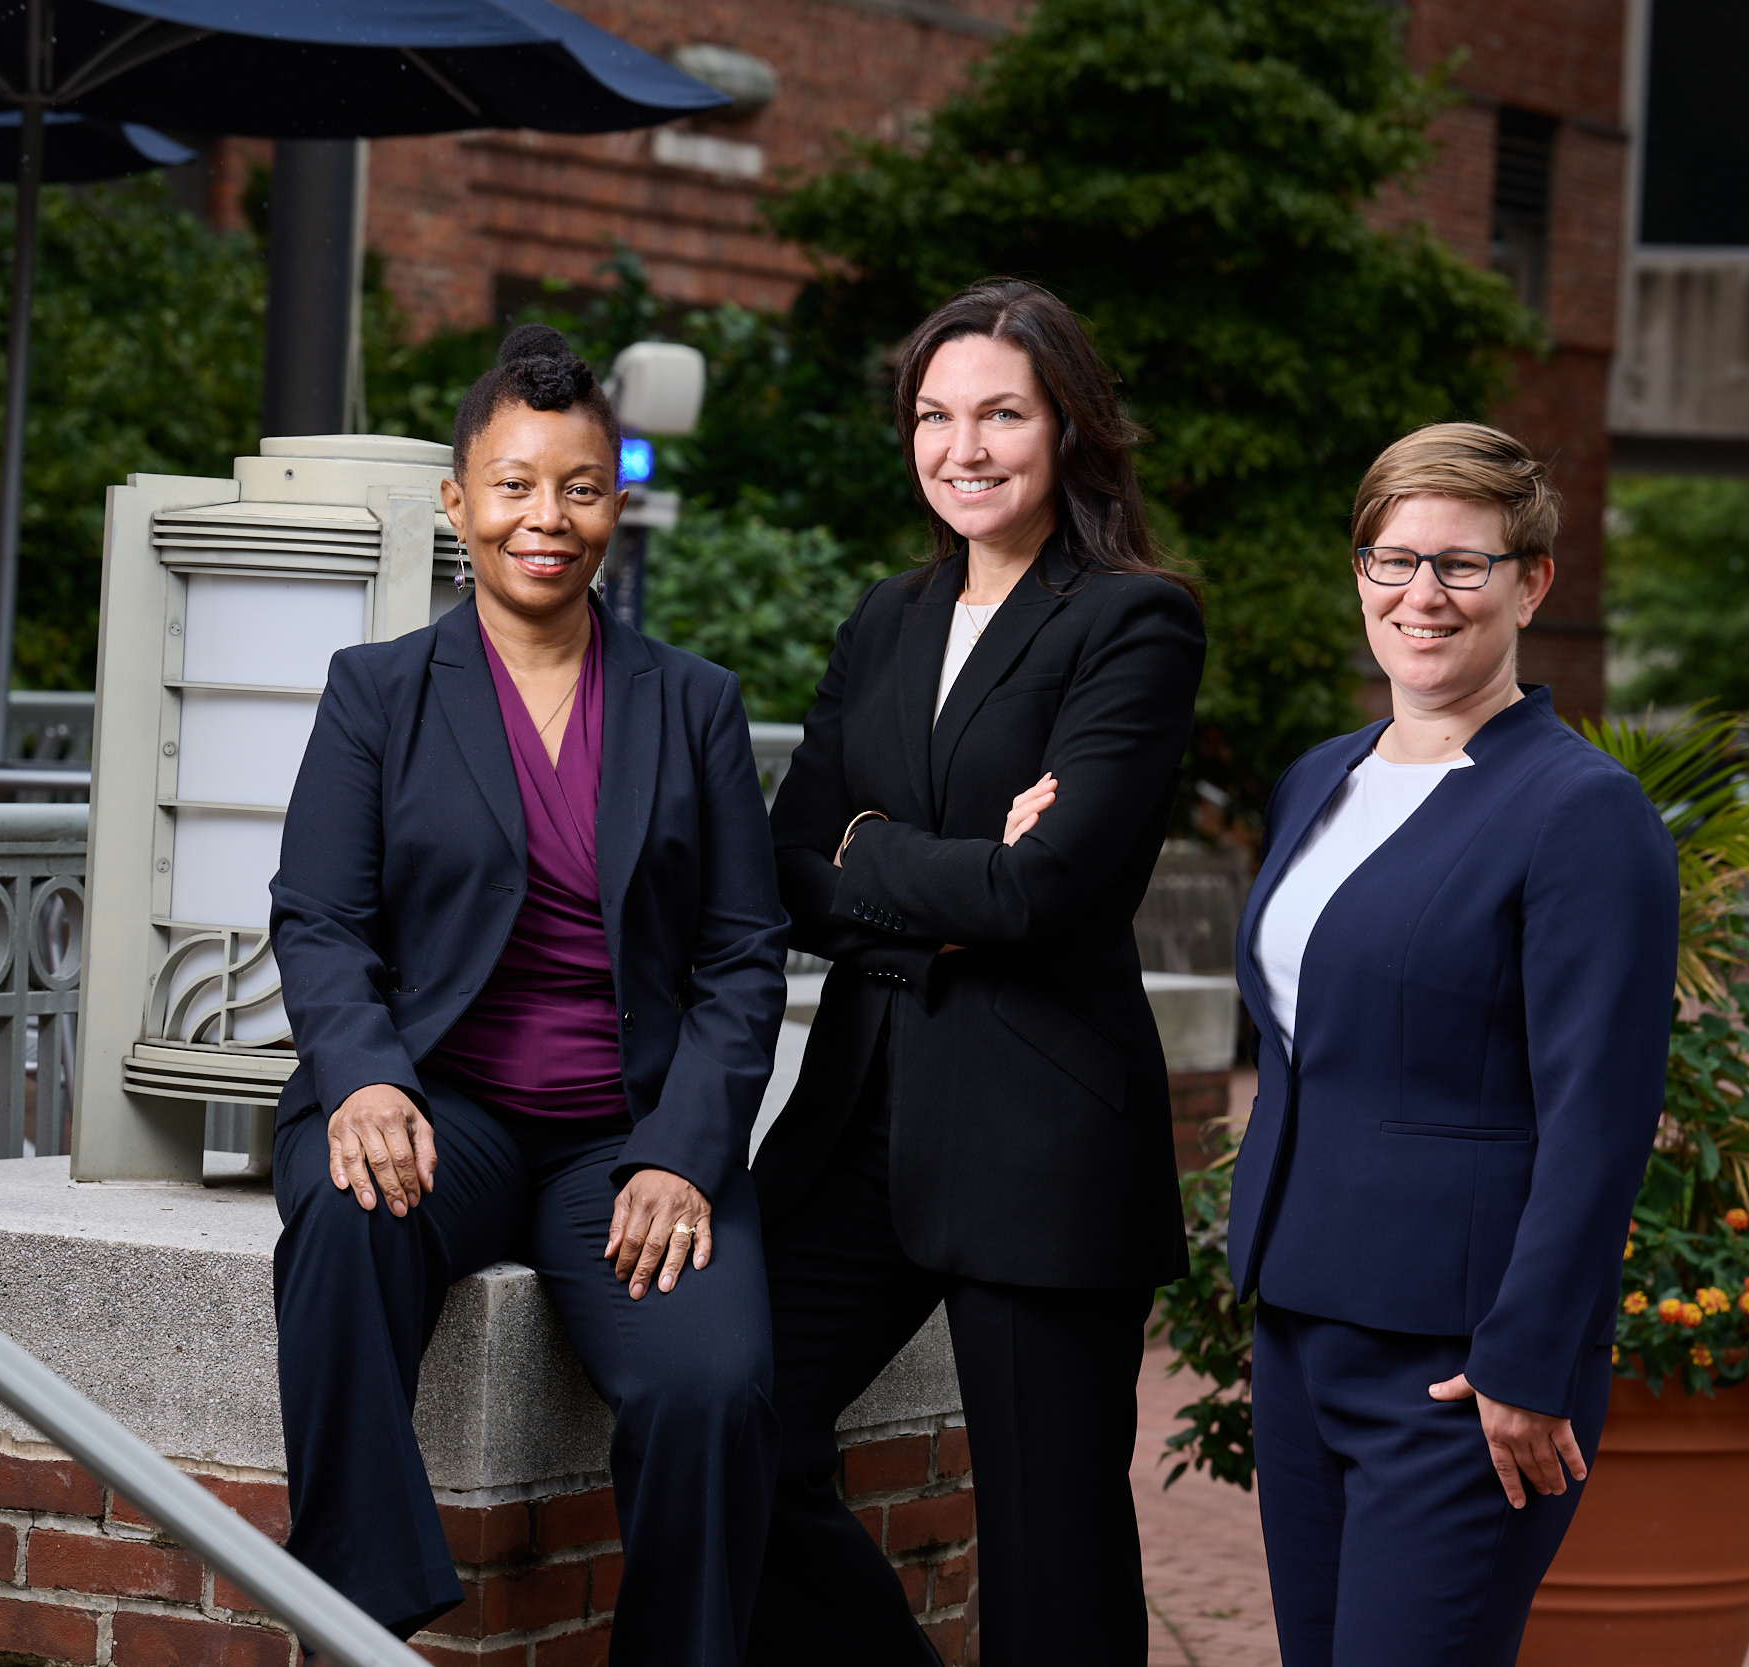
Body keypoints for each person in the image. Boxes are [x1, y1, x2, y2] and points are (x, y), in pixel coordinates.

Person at [268, 325, 789, 1663]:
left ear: (615, 498)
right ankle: (364, 1603)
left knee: (711, 1385)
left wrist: (682, 1152)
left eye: (574, 485)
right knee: (341, 1216)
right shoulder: (376, 692)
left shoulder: (695, 705)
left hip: (625, 1133)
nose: (541, 518)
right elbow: (320, 916)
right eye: (510, 485)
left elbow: (742, 959)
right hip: (441, 1103)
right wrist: (366, 1072)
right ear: (458, 502)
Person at [751, 279, 1205, 1664]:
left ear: (1067, 425)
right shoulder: (886, 618)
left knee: (1050, 1542)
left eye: (1001, 412)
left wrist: (879, 849)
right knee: (730, 1421)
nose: (966, 446)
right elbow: (789, 867)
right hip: (856, 1123)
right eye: (936, 416)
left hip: (1039, 1130)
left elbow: (1048, 887)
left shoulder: (1134, 620)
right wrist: (952, 876)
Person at [1226, 423, 1677, 1667]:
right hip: (1303, 1325)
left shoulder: (1582, 810)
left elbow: (1600, 1109)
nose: (1421, 595)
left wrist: (1527, 1357)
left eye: (1463, 565)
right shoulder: (1320, 776)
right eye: (1392, 558)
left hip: (1463, 1370)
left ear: (1531, 582)